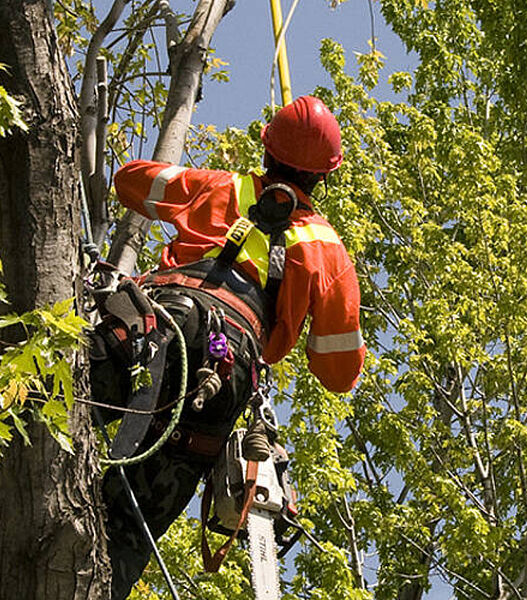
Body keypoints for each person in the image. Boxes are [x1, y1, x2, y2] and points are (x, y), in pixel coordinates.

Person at [90, 95, 365, 599]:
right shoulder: (326, 247)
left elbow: (129, 180)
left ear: (267, 151)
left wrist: (200, 192)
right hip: (225, 371)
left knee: (45, 406)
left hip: (158, 324)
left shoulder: (221, 187)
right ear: (324, 176)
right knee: (121, 539)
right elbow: (339, 373)